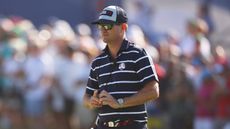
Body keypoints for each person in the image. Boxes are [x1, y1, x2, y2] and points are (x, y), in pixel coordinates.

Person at [83, 5, 159, 129]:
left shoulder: (138, 54)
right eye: (100, 26)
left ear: (123, 27)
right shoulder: (98, 61)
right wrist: (91, 102)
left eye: (108, 25)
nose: (103, 30)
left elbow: (153, 91)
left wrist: (120, 103)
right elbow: (86, 97)